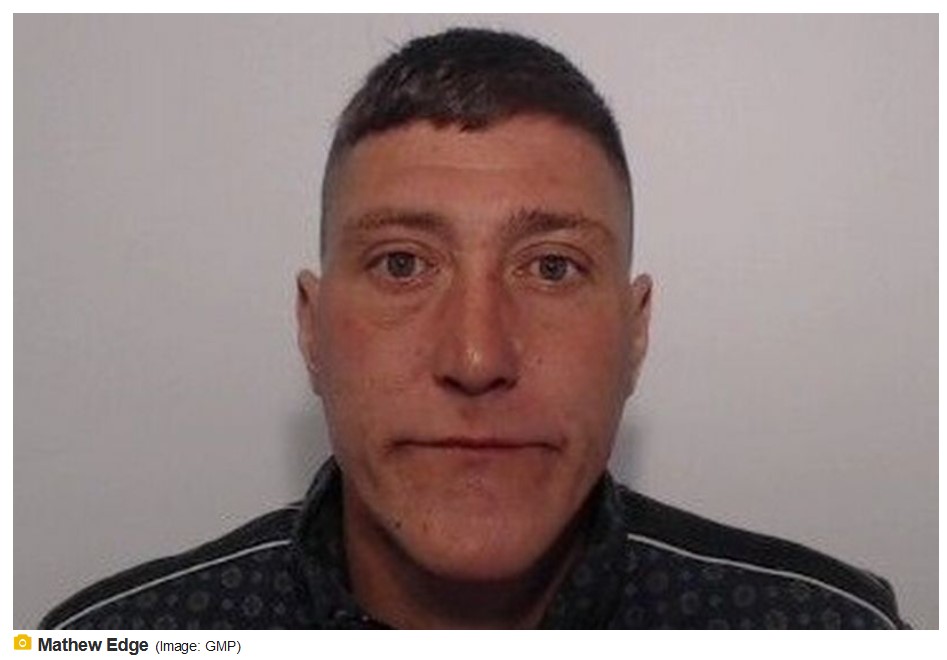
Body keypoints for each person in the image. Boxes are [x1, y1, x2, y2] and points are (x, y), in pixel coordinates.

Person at [40, 27, 905, 630]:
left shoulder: (823, 629)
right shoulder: (110, 639)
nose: (477, 356)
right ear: (311, 330)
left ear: (635, 333)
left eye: (552, 267)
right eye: (402, 264)